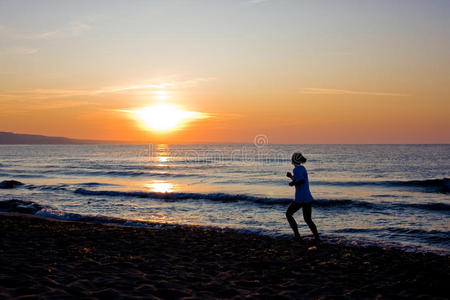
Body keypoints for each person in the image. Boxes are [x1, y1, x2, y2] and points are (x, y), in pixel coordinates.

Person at [286, 152, 320, 242]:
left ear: (293, 160)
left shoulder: (297, 170)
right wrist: (291, 177)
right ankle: (317, 238)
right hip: (307, 197)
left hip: (300, 198)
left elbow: (301, 181)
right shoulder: (301, 168)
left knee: (288, 214)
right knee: (308, 219)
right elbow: (299, 179)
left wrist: (292, 183)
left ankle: (297, 236)